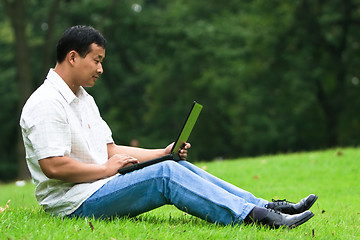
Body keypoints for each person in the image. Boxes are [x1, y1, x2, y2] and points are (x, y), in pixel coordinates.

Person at [20, 25, 317, 229]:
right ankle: (255, 218)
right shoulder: (46, 102)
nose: (100, 68)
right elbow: (54, 166)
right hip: (74, 202)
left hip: (98, 186)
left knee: (174, 165)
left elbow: (107, 149)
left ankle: (269, 207)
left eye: (102, 61)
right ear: (73, 57)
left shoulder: (83, 98)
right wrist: (106, 170)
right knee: (166, 175)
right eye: (96, 60)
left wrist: (162, 152)